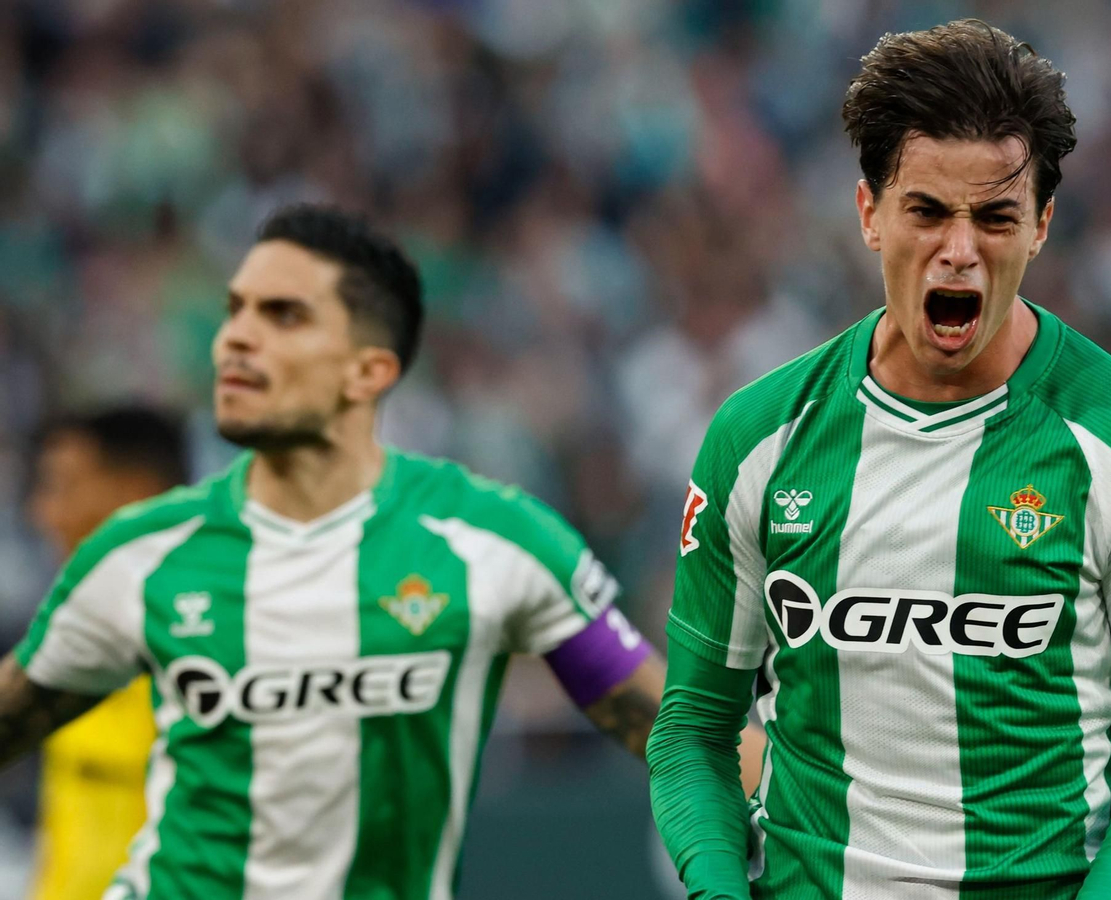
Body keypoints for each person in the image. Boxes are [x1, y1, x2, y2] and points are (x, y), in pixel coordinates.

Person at [0, 203, 760, 899]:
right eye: (235, 311)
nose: (235, 335)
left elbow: (675, 730)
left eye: (283, 315)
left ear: (370, 371)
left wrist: (841, 824)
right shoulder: (141, 553)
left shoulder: (493, 542)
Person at [648, 18, 1111, 900]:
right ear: (870, 213)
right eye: (926, 210)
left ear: (1041, 227)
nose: (959, 250)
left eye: (995, 216)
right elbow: (693, 728)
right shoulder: (757, 438)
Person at [26, 406, 188, 900]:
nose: (44, 514)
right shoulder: (67, 634)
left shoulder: (207, 646)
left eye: (64, 487)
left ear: (136, 493)